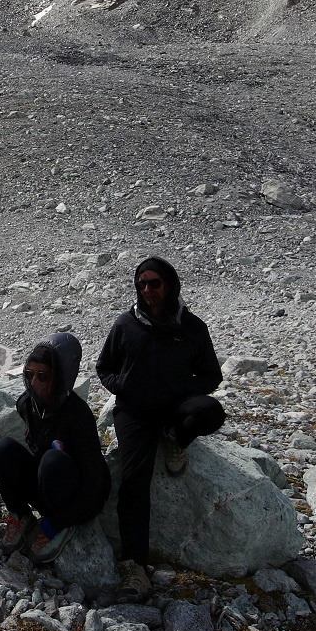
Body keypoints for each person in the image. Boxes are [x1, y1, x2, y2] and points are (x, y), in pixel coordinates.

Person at [94, 256, 224, 602]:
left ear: (171, 284)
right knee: (134, 481)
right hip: (134, 412)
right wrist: (121, 385)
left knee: (211, 413)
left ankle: (175, 439)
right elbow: (103, 366)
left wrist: (178, 389)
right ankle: (136, 567)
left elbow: (212, 376)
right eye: (141, 284)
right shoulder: (126, 324)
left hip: (173, 407)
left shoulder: (191, 327)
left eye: (154, 283)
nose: (147, 290)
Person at [0, 331, 110, 563]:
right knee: (3, 449)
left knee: (53, 460)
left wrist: (58, 521)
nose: (33, 383)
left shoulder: (78, 416)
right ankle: (21, 515)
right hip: (45, 482)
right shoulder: (27, 404)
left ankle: (60, 527)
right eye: (29, 374)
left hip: (72, 494)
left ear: (60, 377)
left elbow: (96, 486)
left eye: (42, 377)